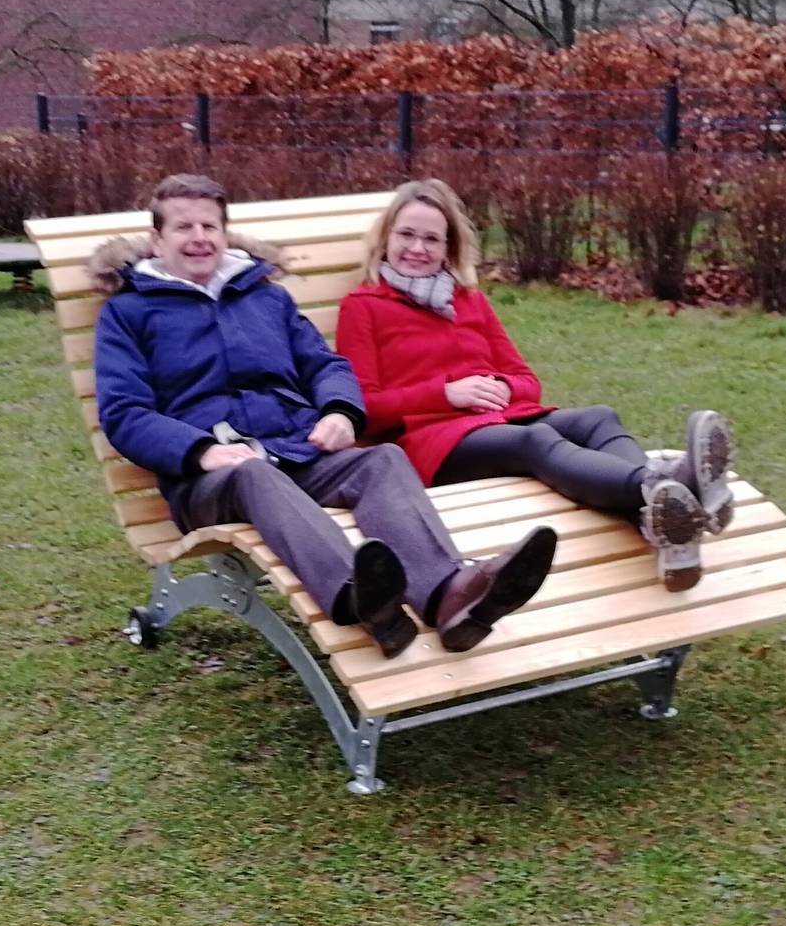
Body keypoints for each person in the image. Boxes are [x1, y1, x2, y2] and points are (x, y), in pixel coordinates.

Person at [91, 174, 557, 659]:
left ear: (225, 234)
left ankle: (450, 597)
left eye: (209, 225)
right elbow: (125, 412)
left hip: (295, 449)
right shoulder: (128, 313)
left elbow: (324, 365)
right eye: (183, 226)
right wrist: (201, 451)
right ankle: (360, 594)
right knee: (253, 474)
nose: (199, 237)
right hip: (207, 480)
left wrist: (339, 411)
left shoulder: (265, 297)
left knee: (381, 460)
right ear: (157, 239)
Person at [336, 179, 736, 592]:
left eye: (431, 239)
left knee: (599, 417)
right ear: (386, 238)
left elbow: (528, 382)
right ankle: (662, 485)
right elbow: (364, 409)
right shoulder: (363, 307)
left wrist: (506, 388)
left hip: (502, 418)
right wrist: (446, 393)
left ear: (448, 249)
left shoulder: (470, 301)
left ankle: (661, 525)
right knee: (535, 441)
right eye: (406, 234)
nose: (417, 249)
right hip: (433, 443)